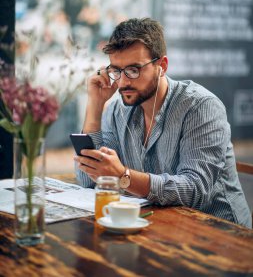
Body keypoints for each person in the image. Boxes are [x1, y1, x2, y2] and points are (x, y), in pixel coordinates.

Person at [75, 17, 251, 228]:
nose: (122, 82)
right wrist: (95, 104)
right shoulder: (116, 110)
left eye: (134, 70)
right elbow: (89, 180)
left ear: (162, 66)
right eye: (116, 71)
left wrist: (123, 176)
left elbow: (194, 189)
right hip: (161, 226)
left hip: (219, 234)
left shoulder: (200, 107)